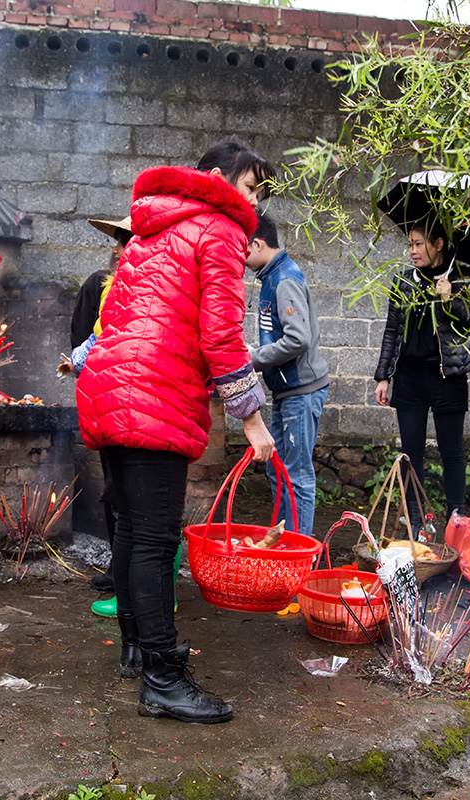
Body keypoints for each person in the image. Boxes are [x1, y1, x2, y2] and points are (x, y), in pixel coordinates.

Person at [76, 140, 276, 724]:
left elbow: (116, 319)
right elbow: (220, 337)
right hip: (154, 395)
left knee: (135, 532)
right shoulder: (218, 229)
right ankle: (164, 677)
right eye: (250, 185)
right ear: (216, 178)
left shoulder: (148, 230)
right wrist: (253, 420)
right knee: (156, 539)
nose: (253, 200)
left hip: (111, 388)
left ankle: (139, 650)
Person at [373, 219, 470, 524]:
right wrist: (384, 375)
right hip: (409, 375)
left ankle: (456, 515)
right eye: (409, 245)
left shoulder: (466, 279)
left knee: (452, 451)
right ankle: (416, 516)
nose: (412, 251)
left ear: (439, 244)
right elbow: (392, 330)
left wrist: (450, 299)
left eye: (418, 244)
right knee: (411, 452)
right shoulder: (404, 281)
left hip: (448, 376)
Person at [245, 212, 329, 539]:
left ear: (257, 243)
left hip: (301, 391)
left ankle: (297, 552)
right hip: (286, 391)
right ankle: (280, 540)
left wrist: (252, 359)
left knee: (296, 476)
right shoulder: (271, 276)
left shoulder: (284, 279)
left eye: (242, 249)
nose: (239, 258)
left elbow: (298, 339)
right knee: (277, 470)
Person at [70, 216, 133, 597]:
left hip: (137, 406)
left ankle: (127, 573)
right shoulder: (98, 286)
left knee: (129, 492)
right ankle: (118, 567)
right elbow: (81, 339)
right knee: (114, 487)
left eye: (127, 241)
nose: (121, 249)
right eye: (122, 242)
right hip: (107, 400)